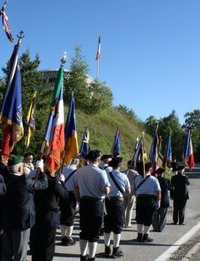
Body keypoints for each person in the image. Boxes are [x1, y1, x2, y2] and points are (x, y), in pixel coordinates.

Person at [1, 154, 48, 261]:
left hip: (6, 220)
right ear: (20, 168)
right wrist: (40, 170)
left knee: (6, 254)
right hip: (21, 223)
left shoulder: (4, 179)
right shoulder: (25, 181)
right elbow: (44, 184)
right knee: (20, 255)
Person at [73, 150, 110, 261]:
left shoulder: (79, 171)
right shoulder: (100, 172)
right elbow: (106, 190)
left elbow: (76, 189)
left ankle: (82, 255)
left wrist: (79, 201)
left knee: (84, 231)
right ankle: (91, 257)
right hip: (96, 204)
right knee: (94, 233)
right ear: (98, 159)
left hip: (84, 202)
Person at [30, 163, 69, 261]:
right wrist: (63, 183)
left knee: (36, 245)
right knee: (47, 246)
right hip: (49, 217)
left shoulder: (33, 181)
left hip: (35, 216)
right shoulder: (53, 182)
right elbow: (65, 196)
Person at [104, 157, 130, 258]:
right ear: (119, 165)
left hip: (107, 201)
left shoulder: (106, 175)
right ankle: (115, 249)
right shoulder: (123, 176)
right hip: (118, 202)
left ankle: (107, 248)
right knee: (117, 226)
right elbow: (128, 191)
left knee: (107, 226)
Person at [134, 162, 161, 242]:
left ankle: (139, 236)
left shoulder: (137, 178)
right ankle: (145, 236)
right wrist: (158, 202)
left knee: (140, 218)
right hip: (150, 200)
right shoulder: (154, 179)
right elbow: (158, 191)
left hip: (140, 199)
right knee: (148, 218)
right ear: (149, 169)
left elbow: (135, 189)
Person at [59, 157, 80, 246]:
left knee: (63, 215)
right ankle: (69, 237)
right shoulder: (76, 171)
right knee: (70, 216)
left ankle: (63, 236)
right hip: (72, 194)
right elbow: (77, 186)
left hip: (62, 192)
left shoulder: (62, 169)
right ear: (75, 161)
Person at [152, 167, 171, 232]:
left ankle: (155, 227)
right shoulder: (167, 180)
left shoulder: (154, 180)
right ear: (163, 173)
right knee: (163, 216)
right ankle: (160, 228)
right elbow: (170, 188)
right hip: (164, 200)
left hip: (155, 199)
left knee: (155, 215)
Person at [123, 160, 138, 228]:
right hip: (132, 192)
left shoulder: (123, 172)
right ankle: (127, 223)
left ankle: (122, 221)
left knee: (123, 208)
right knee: (129, 208)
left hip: (124, 191)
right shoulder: (136, 173)